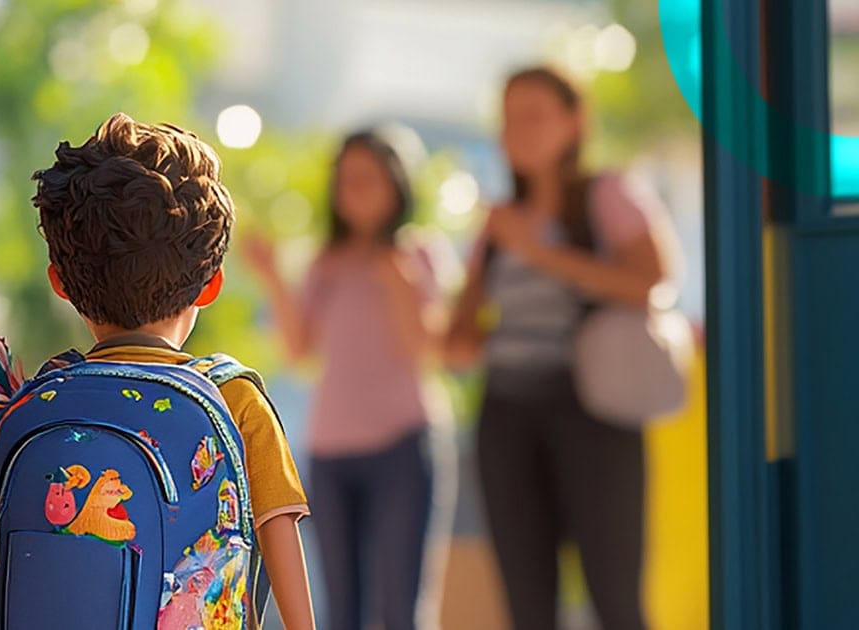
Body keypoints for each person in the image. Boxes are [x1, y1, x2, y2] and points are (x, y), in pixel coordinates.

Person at [24, 113, 316, 628]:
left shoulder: (40, 397)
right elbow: (279, 534)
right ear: (211, 285)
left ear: (60, 283)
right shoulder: (233, 400)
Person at [446, 67, 681, 630]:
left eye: (534, 115)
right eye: (508, 118)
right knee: (528, 606)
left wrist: (540, 251)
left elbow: (654, 281)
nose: (517, 130)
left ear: (575, 122)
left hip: (593, 407)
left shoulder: (608, 194)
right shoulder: (497, 223)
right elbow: (459, 340)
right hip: (505, 414)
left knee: (616, 596)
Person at [244, 128, 446, 630]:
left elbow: (425, 347)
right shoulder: (325, 262)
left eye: (369, 178)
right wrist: (272, 278)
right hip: (331, 453)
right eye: (347, 178)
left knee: (401, 606)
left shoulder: (417, 254)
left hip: (402, 446)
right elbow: (298, 351)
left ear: (397, 185)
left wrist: (394, 274)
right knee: (343, 610)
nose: (355, 188)